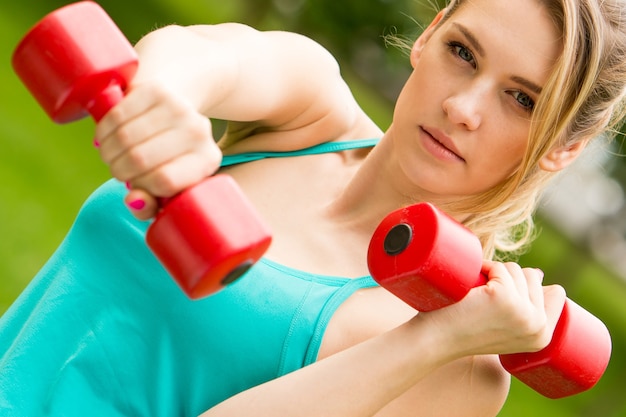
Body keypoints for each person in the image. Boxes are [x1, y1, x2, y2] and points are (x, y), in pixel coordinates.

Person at [1, 0, 625, 416]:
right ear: (429, 34)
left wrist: (434, 340)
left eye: (521, 99)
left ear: (564, 149)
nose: (464, 107)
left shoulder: (461, 364)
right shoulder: (309, 114)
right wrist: (163, 96)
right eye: (463, 52)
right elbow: (208, 52)